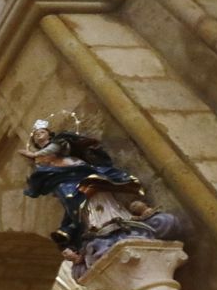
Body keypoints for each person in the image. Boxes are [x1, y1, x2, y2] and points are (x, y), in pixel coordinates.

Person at [21, 114, 180, 276]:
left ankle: (116, 219)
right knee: (71, 198)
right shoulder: (40, 160)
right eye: (36, 135)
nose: (39, 135)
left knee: (95, 187)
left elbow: (53, 151)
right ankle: (93, 224)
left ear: (48, 133)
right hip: (62, 180)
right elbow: (43, 172)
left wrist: (34, 155)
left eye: (41, 132)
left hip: (79, 171)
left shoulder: (58, 142)